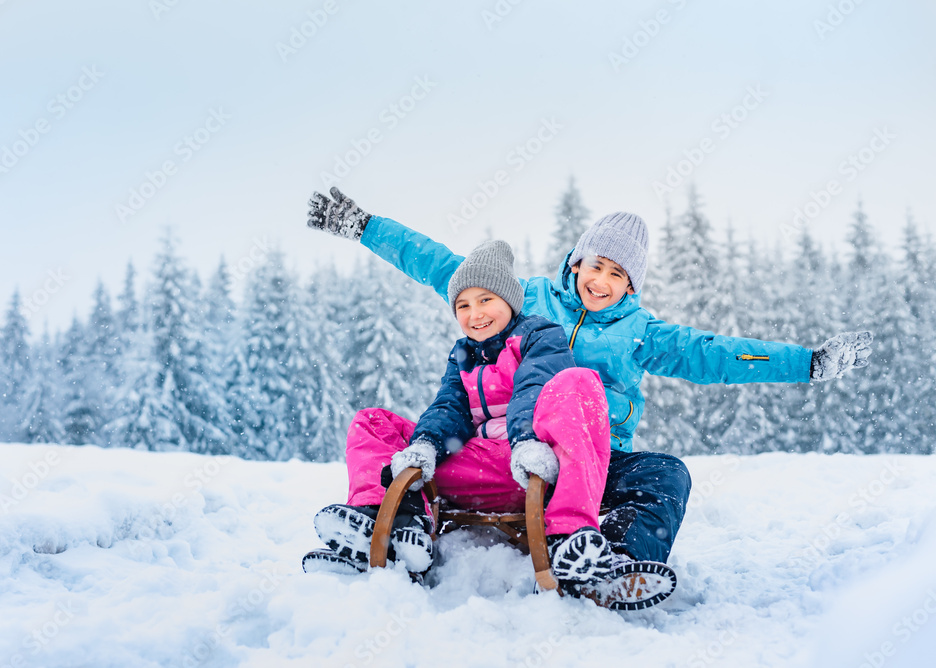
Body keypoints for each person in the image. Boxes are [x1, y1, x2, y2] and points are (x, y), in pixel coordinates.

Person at [305, 187, 873, 570]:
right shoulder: (523, 298)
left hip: (590, 461)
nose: (600, 280)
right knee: (398, 430)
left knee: (667, 477)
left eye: (617, 273)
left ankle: (616, 563)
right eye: (594, 264)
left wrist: (807, 363)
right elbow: (441, 266)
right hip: (504, 447)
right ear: (574, 263)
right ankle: (387, 522)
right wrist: (366, 227)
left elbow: (717, 354)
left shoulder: (641, 333)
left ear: (632, 285)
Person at [303, 240, 678, 608]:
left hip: (536, 468)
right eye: (463, 305)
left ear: (509, 302)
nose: (475, 313)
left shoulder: (539, 335)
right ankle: (387, 522)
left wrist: (526, 440)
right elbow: (449, 407)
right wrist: (425, 445)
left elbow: (534, 385)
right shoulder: (463, 354)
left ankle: (594, 554)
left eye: (486, 300)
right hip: (473, 468)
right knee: (372, 421)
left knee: (648, 454)